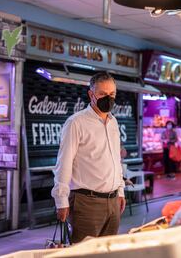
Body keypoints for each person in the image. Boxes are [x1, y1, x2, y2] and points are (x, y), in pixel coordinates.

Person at [51, 72, 126, 244]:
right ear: (91, 94)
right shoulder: (76, 123)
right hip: (86, 203)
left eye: (112, 94)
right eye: (102, 94)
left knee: (108, 253)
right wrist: (61, 200)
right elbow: (64, 162)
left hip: (113, 202)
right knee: (83, 253)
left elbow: (116, 159)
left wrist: (120, 190)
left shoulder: (113, 122)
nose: (109, 98)